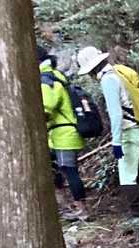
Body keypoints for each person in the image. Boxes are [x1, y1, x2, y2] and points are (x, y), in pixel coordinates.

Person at [75, 46, 139, 218]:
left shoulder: (108, 80)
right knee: (131, 167)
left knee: (126, 176)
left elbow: (116, 114)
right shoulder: (120, 71)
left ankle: (137, 215)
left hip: (129, 131)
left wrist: (116, 142)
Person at [39, 47, 87, 219]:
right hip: (64, 132)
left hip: (64, 133)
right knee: (59, 171)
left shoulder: (46, 80)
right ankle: (67, 206)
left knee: (69, 171)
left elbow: (47, 108)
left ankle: (82, 210)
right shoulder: (55, 75)